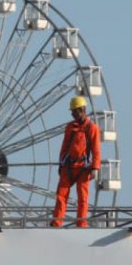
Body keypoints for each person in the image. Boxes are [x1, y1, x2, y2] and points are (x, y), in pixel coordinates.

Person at [50, 96, 101, 228]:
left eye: (74, 111)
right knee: (61, 195)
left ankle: (81, 223)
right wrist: (61, 164)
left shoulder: (92, 128)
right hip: (68, 166)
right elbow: (65, 146)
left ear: (82, 109)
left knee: (82, 197)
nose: (72, 114)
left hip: (84, 167)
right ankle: (57, 222)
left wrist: (95, 168)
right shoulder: (70, 127)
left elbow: (96, 149)